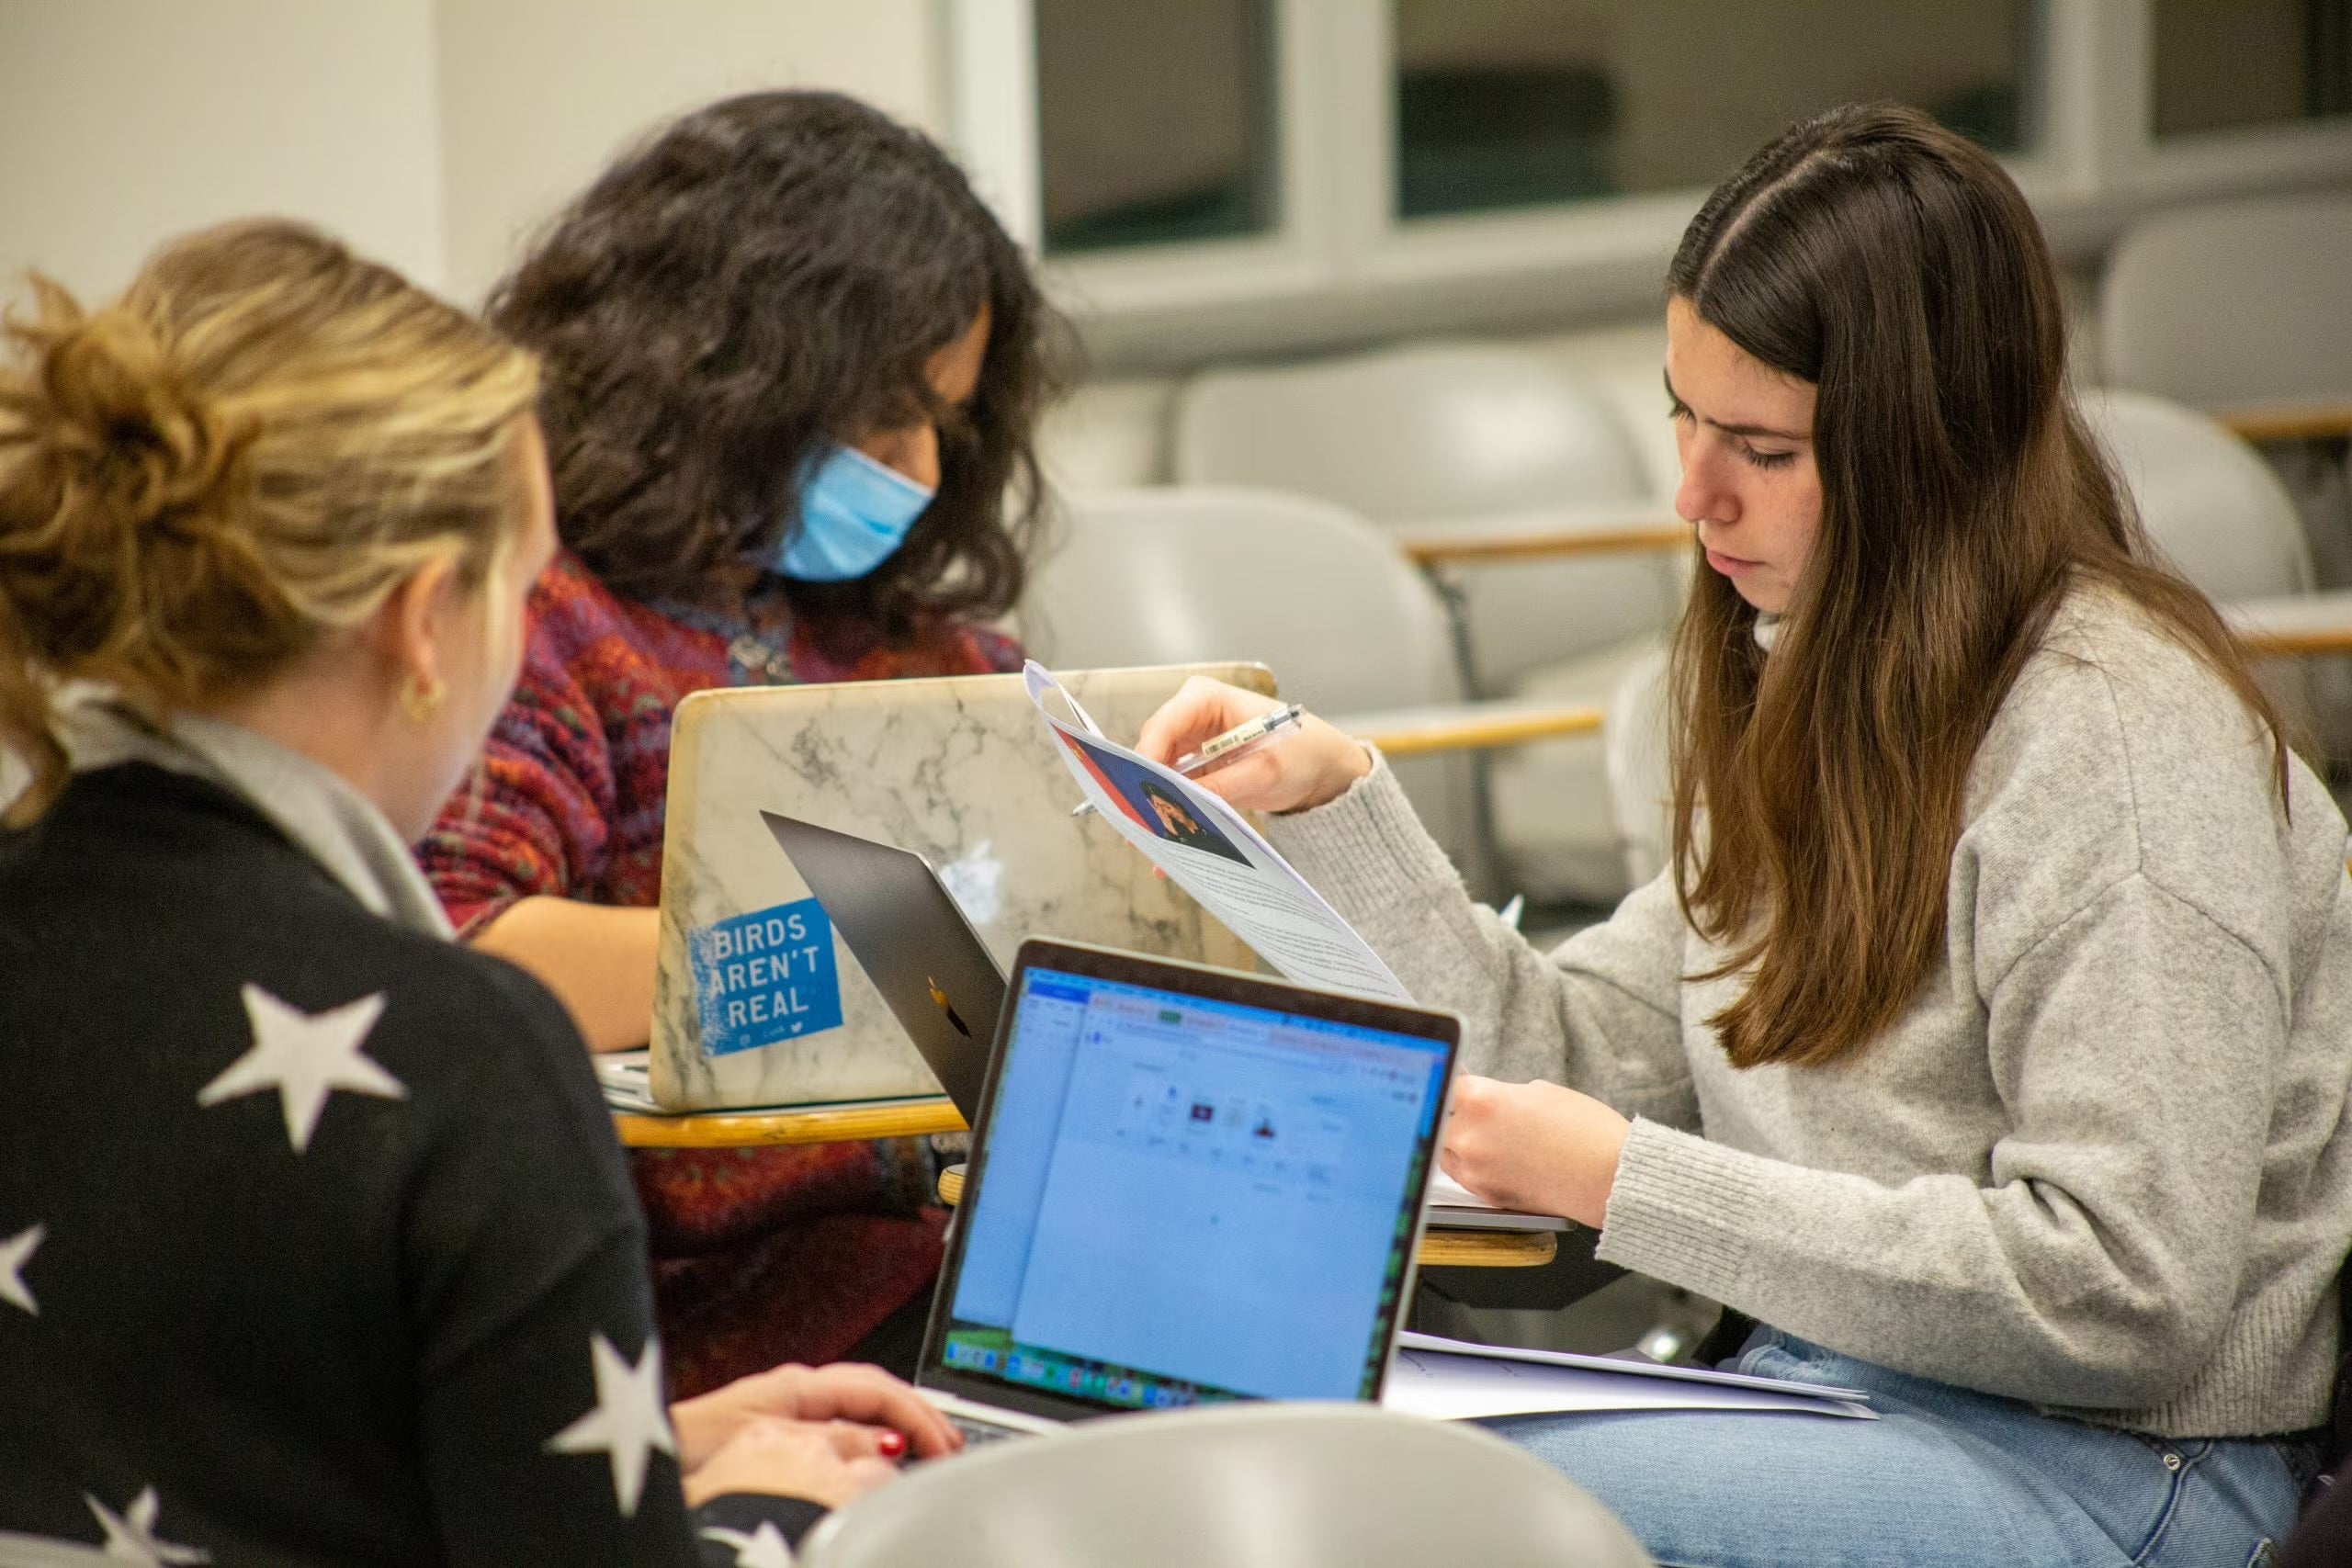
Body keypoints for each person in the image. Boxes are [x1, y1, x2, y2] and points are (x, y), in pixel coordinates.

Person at [1135, 105, 2352, 1564]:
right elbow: (1590, 1056)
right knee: (1286, 1449)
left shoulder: (2119, 743)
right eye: (1684, 417)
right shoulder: (1807, 668)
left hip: (2122, 1463)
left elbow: (2121, 1294)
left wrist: (1621, 1181)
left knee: (1406, 1512)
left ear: (1930, 458)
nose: (1692, 494)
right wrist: (1340, 816)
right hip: (1845, 1400)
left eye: (1763, 449)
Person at [0, 220, 957, 1565]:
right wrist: (773, 1519)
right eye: (526, 585)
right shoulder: (463, 1053)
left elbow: (224, 1443)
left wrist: (636, 1449)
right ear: (424, 619)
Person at [417, 90, 1074, 1395]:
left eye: (944, 421)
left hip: (963, 1276)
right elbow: (462, 950)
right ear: (725, 375)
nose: (924, 473)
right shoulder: (544, 620)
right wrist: (848, 954)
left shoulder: (910, 643)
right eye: (882, 418)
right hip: (705, 1347)